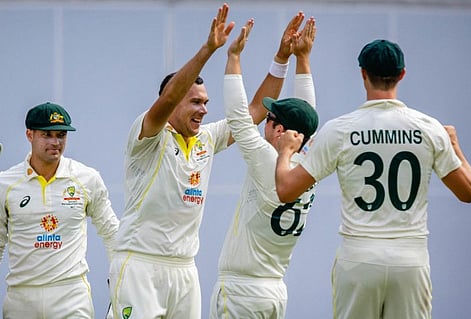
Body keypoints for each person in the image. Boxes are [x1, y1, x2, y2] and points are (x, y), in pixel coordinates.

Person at [108, 4, 307, 319]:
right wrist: (209, 49)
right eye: (195, 102)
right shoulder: (147, 136)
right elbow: (169, 99)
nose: (203, 110)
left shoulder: (206, 138)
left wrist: (281, 58)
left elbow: (254, 109)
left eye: (206, 103)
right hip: (140, 264)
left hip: (185, 269)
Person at [274, 39, 471, 319]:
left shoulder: (340, 130)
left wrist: (285, 152)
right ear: (402, 74)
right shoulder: (429, 128)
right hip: (410, 259)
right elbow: (468, 191)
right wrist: (454, 144)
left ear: (363, 74)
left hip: (359, 258)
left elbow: (286, 190)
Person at [209, 14, 319, 319]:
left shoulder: (267, 161)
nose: (263, 123)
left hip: (242, 292)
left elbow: (239, 119)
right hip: (274, 291)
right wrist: (302, 59)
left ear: (281, 131)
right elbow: (307, 114)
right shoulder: (309, 164)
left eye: (269, 119)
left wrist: (233, 59)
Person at [0, 102, 119, 319]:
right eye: (47, 135)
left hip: (71, 295)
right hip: (21, 297)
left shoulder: (86, 178)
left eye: (61, 135)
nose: (56, 142)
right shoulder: (5, 184)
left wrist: (122, 284)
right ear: (29, 134)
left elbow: (112, 232)